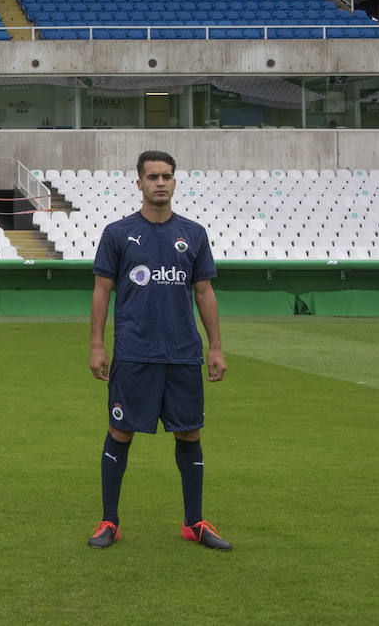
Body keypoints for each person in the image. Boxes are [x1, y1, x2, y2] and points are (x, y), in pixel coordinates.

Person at [87, 150, 231, 551]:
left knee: (189, 433)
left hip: (183, 352)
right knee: (120, 431)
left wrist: (215, 346)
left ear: (175, 181)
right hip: (133, 353)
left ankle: (194, 522)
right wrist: (97, 346)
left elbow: (204, 291)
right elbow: (102, 292)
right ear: (139, 183)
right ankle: (109, 522)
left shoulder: (194, 234)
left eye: (167, 176)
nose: (161, 183)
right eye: (153, 177)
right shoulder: (117, 234)